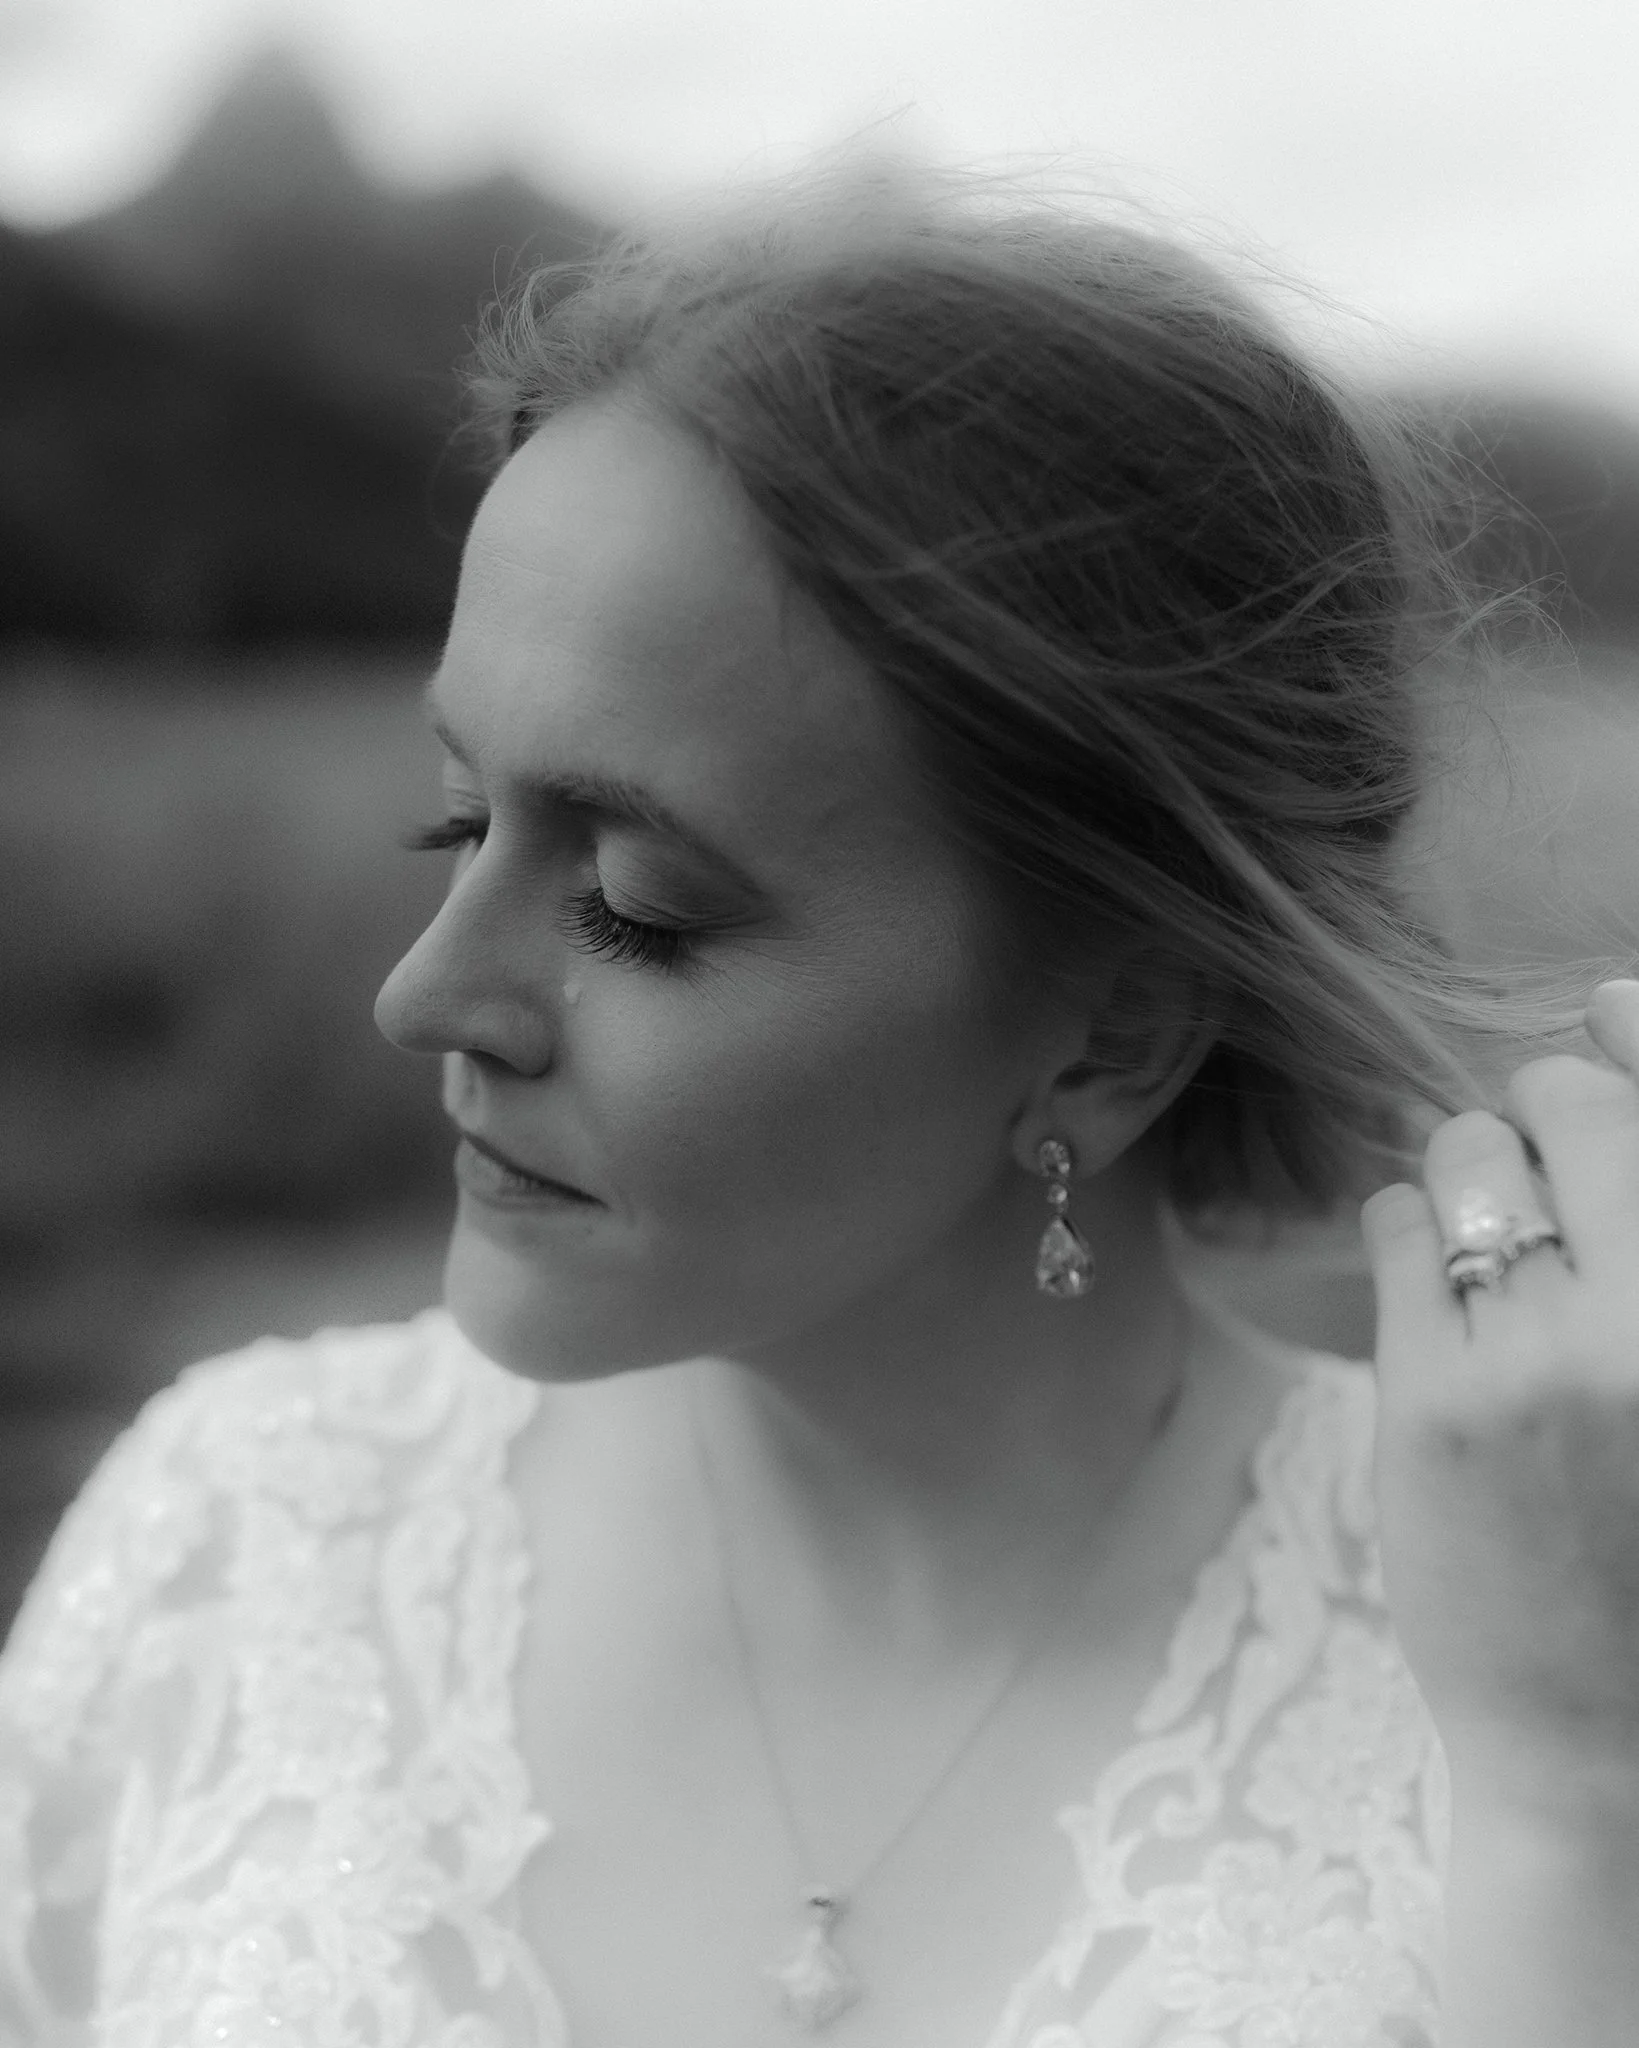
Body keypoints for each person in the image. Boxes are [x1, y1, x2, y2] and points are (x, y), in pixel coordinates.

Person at [2, 169, 1637, 2048]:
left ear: (1110, 1039)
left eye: (636, 902)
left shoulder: (1542, 1648)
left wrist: (1575, 1804)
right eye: (458, 818)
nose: (420, 994)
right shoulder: (233, 1545)